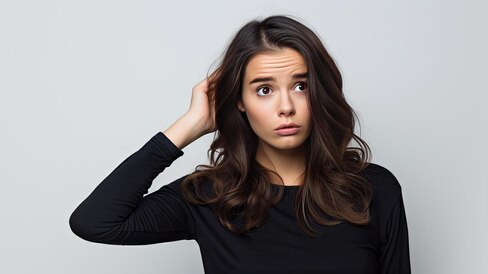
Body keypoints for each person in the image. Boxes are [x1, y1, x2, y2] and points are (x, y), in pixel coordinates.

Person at [69, 15, 411, 274]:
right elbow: (96, 222)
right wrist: (190, 126)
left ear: (320, 93)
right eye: (264, 89)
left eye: (300, 86)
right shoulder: (210, 197)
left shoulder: (373, 190)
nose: (285, 107)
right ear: (239, 101)